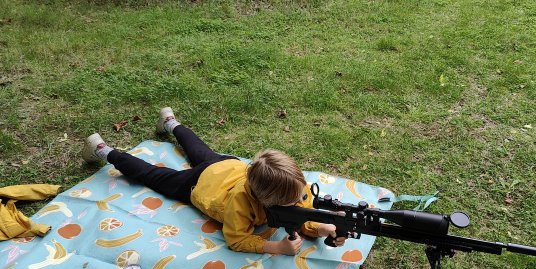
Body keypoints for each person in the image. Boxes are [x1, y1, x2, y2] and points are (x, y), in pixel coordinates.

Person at [82, 107, 345, 255]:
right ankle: (105, 151)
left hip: (229, 165)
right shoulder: (240, 204)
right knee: (154, 176)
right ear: (264, 199)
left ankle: (171, 122)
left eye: (300, 194)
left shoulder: (291, 187)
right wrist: (275, 247)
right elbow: (236, 239)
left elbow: (302, 210)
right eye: (295, 198)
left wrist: (319, 228)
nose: (301, 199)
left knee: (197, 148)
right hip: (199, 183)